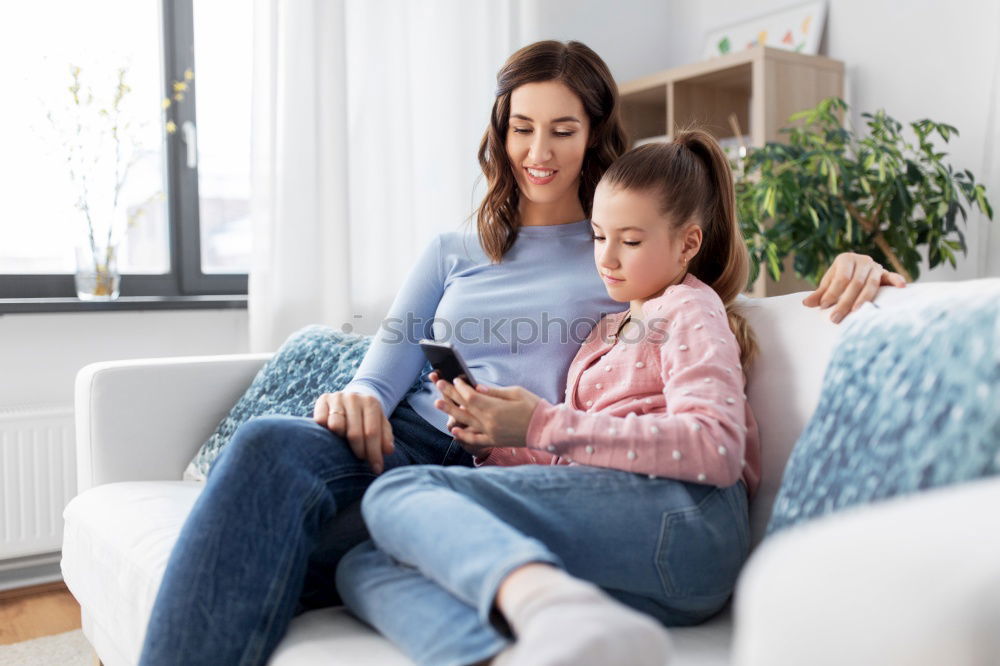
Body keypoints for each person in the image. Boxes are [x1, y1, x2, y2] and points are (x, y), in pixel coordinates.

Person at [138, 40, 904, 666]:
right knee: (271, 444)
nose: (538, 151)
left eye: (562, 129)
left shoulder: (630, 241)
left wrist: (859, 265)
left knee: (336, 559)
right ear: (500, 132)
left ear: (596, 133)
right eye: (521, 127)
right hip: (418, 439)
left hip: (505, 465)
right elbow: (390, 360)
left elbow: (713, 293)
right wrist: (361, 397)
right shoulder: (457, 249)